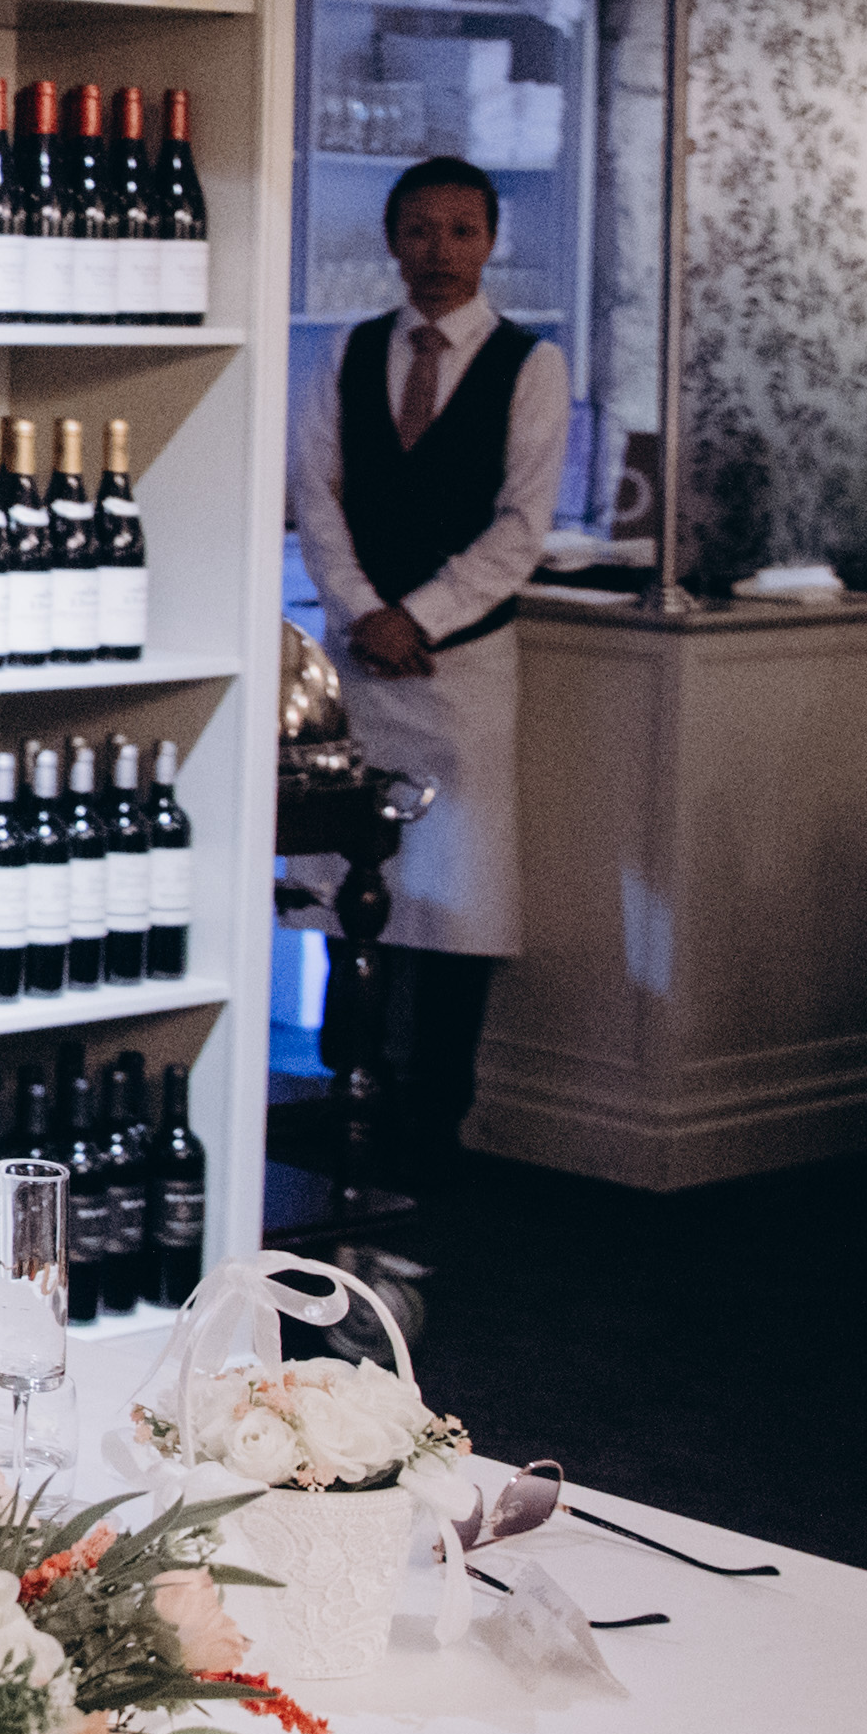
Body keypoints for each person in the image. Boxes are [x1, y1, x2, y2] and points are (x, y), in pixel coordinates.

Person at [284, 154, 569, 1177]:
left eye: (459, 231)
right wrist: (364, 613)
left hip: (462, 671)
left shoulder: (529, 366)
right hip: (362, 663)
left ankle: (437, 1117)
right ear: (390, 240)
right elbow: (314, 497)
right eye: (417, 229)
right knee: (346, 882)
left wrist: (420, 617)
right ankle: (344, 1088)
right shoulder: (349, 351)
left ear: (490, 241)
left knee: (458, 891)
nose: (437, 251)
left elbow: (519, 528)